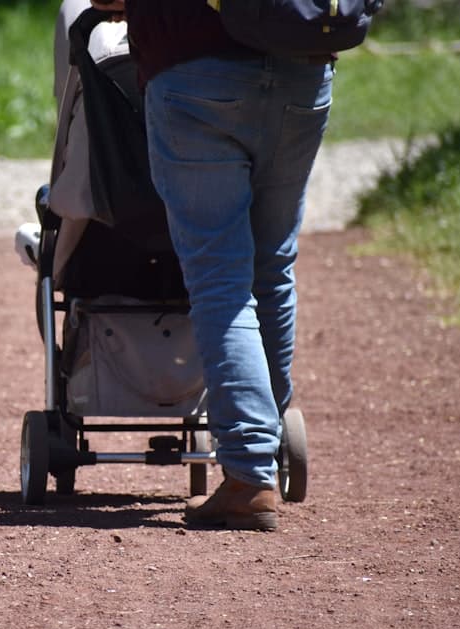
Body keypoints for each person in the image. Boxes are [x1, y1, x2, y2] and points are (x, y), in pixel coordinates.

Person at [92, 0, 333, 530]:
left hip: (195, 68)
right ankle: (261, 450)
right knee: (272, 267)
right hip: (304, 61)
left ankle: (249, 474)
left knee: (220, 278)